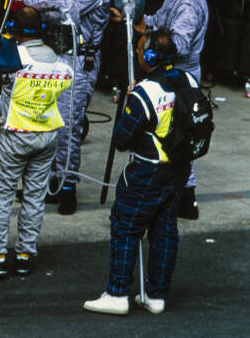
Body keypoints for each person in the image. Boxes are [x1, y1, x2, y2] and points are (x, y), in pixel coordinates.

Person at [83, 30, 194, 316]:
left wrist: (131, 102)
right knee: (165, 229)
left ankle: (117, 293)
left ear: (151, 56)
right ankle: (156, 296)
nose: (137, 52)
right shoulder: (188, 80)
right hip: (180, 168)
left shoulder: (145, 93)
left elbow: (122, 140)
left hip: (147, 170)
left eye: (141, 49)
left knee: (126, 226)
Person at [15, 0, 110, 214]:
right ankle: (49, 181)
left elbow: (61, 11)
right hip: (58, 53)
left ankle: (67, 186)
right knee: (48, 121)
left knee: (68, 125)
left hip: (80, 60)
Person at [111, 0, 207, 219]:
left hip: (181, 77)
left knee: (178, 135)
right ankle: (184, 197)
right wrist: (136, 21)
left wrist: (148, 52)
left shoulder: (188, 2)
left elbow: (179, 43)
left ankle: (185, 199)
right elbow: (160, 20)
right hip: (173, 74)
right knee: (176, 134)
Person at [0, 6, 73, 279]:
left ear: (14, 30)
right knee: (35, 197)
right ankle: (25, 255)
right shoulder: (60, 62)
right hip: (47, 136)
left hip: (15, 134)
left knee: (1, 194)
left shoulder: (12, 57)